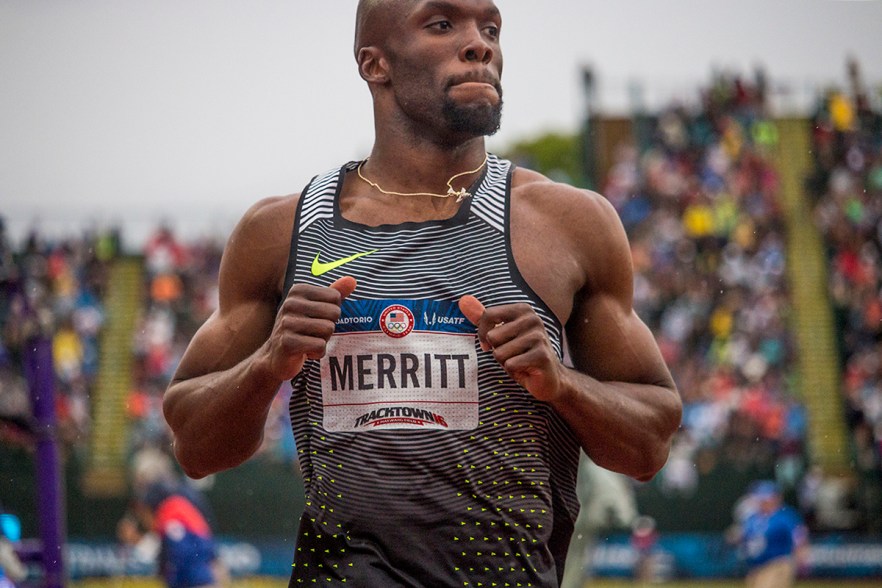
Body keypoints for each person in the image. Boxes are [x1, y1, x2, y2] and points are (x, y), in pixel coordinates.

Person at [162, 0, 682, 585]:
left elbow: (651, 444)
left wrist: (564, 385)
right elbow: (193, 443)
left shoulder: (569, 225)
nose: (480, 44)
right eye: (443, 25)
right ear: (374, 64)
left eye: (490, 29)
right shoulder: (280, 232)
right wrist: (266, 366)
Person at [737, 481, 808, 588]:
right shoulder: (752, 518)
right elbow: (746, 537)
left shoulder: (785, 516)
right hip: (756, 567)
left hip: (778, 563)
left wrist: (801, 558)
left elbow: (799, 538)